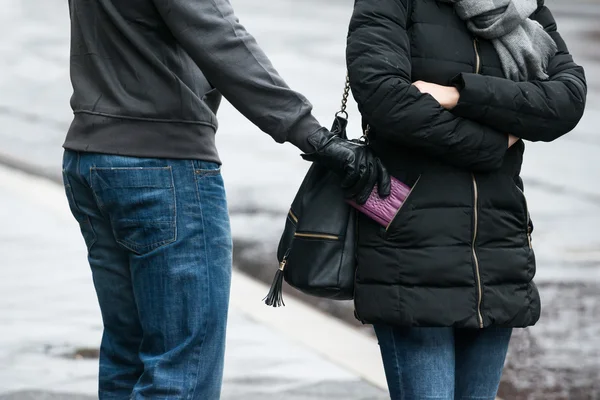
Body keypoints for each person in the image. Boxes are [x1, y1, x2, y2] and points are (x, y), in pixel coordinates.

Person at [61, 0, 390, 398]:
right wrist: (312, 135)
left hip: (90, 158)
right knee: (181, 370)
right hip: (162, 165)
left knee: (126, 355)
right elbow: (221, 39)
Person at [346, 0, 586, 398]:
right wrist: (494, 143)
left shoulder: (519, 5)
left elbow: (565, 99)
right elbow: (384, 98)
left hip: (497, 251)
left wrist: (458, 94)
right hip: (413, 251)